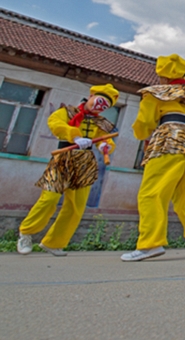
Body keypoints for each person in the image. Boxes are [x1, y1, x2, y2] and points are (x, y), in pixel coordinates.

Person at [122, 54, 185, 262]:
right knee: (182, 192)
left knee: (151, 193)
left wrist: (144, 135)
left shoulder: (155, 93)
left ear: (163, 75)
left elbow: (144, 123)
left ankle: (150, 243)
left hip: (167, 142)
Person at [17, 85, 119, 256]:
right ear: (91, 95)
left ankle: (54, 243)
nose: (99, 107)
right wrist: (75, 136)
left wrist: (104, 145)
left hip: (84, 163)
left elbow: (109, 142)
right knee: (49, 198)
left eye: (104, 106)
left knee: (76, 206)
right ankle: (26, 233)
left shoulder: (102, 123)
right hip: (63, 159)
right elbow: (54, 123)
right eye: (99, 102)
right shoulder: (68, 112)